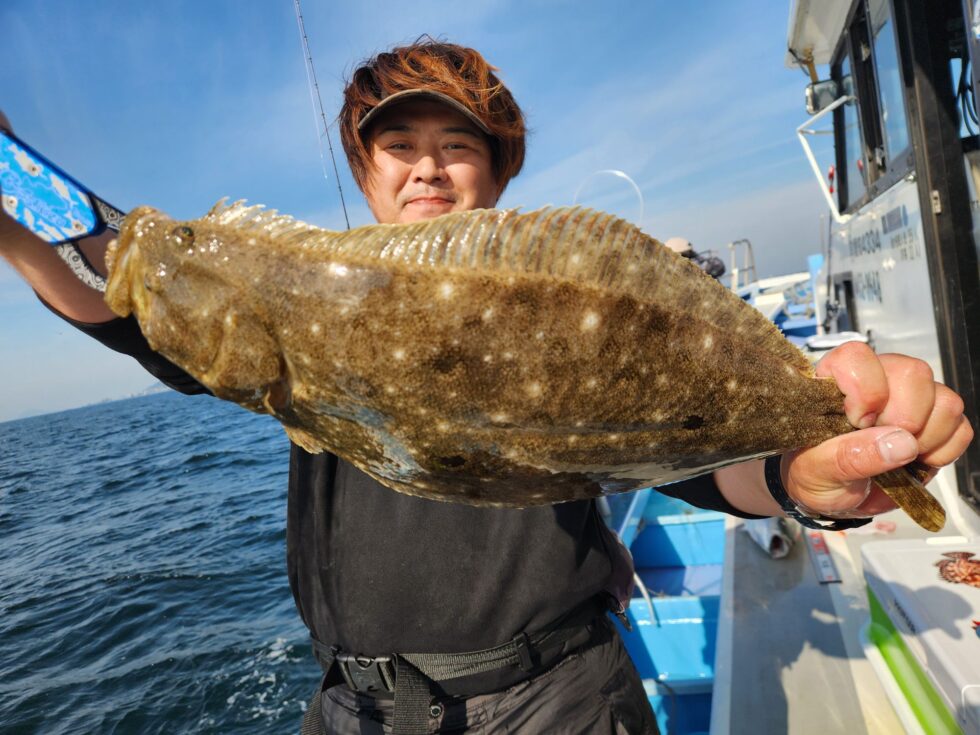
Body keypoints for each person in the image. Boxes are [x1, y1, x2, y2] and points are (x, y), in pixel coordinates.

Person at [0, 40, 973, 735]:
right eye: (397, 145)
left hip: (556, 700)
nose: (425, 165)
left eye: (455, 144)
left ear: (495, 169)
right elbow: (117, 301)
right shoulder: (295, 311)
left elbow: (715, 470)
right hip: (351, 708)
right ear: (364, 170)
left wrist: (808, 473)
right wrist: (14, 209)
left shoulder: (559, 318)